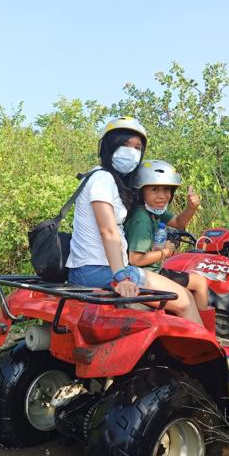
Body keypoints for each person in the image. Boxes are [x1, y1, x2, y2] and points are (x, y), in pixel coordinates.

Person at [66, 117, 202, 325]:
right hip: (97, 270)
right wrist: (122, 277)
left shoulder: (107, 180)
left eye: (137, 147)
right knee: (185, 299)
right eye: (124, 144)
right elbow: (108, 231)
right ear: (109, 146)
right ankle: (206, 356)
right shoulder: (102, 179)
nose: (131, 151)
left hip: (100, 268)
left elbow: (177, 222)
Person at [125, 160, 210, 315]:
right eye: (155, 189)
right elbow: (135, 259)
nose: (162, 196)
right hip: (144, 274)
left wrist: (191, 208)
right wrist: (166, 252)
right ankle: (202, 331)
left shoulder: (154, 209)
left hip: (152, 270)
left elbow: (179, 222)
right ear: (141, 191)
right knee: (199, 283)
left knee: (199, 281)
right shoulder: (142, 219)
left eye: (166, 190)